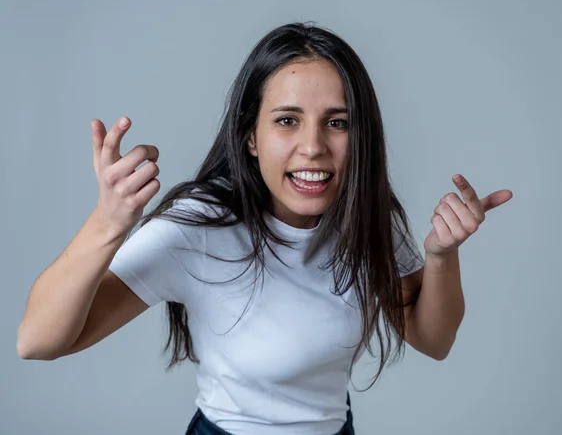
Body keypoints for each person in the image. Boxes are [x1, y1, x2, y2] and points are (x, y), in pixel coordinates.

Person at [16, 22, 513, 435]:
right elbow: (37, 341)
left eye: (337, 122)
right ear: (251, 136)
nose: (314, 146)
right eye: (287, 120)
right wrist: (106, 224)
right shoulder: (198, 228)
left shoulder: (368, 218)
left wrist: (443, 256)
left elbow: (433, 341)